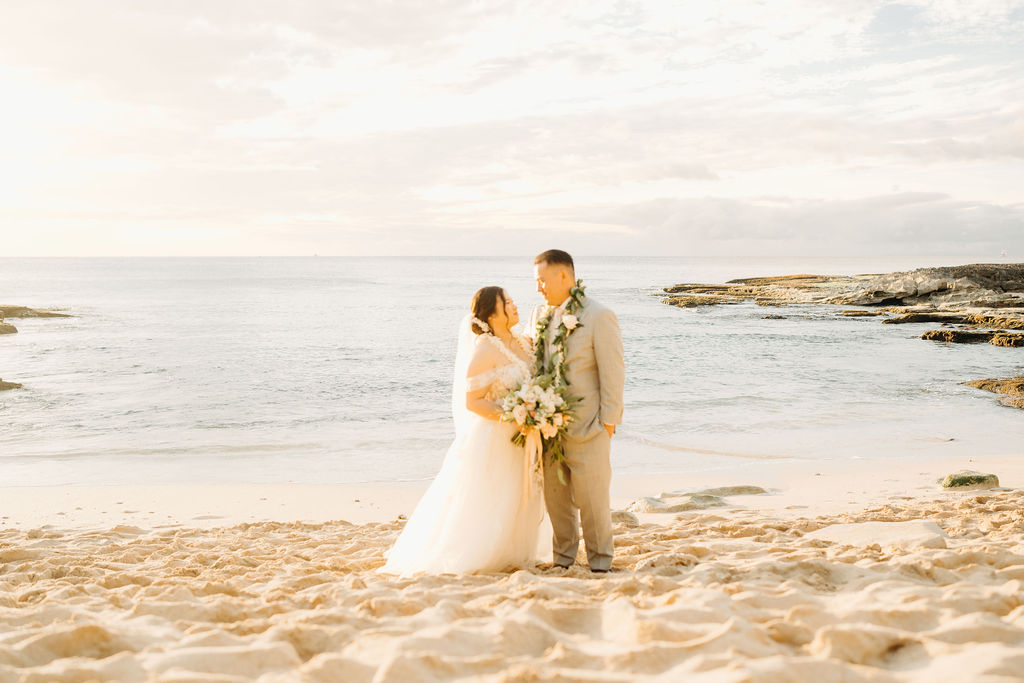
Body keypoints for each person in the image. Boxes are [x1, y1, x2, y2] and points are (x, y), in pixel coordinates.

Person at [380, 287, 546, 576]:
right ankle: (483, 554)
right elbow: (473, 401)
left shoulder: (524, 341)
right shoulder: (485, 349)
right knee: (492, 496)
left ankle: (513, 553)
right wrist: (514, 414)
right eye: (507, 302)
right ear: (493, 313)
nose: (514, 304)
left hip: (525, 434)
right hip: (497, 436)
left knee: (519, 496)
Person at [531, 249, 624, 572]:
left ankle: (600, 561)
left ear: (563, 276)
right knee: (556, 500)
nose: (539, 287)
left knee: (593, 501)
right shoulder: (539, 315)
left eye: (542, 280)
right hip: (550, 428)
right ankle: (564, 558)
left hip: (589, 428)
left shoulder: (599, 315)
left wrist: (608, 423)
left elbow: (613, 372)